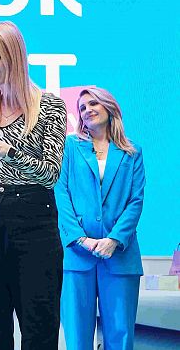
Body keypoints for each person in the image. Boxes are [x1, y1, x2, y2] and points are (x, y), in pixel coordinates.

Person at [0, 21, 67, 349]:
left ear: (16, 56)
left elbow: (49, 173)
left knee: (39, 325)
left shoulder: (49, 105)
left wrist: (5, 150)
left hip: (34, 220)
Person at [55, 88, 145, 350]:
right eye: (82, 107)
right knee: (77, 339)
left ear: (109, 107)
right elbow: (61, 195)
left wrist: (114, 239)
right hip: (76, 255)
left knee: (120, 337)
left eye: (93, 103)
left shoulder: (132, 152)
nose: (87, 110)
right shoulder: (69, 147)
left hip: (120, 257)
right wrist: (80, 238)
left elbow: (135, 201)